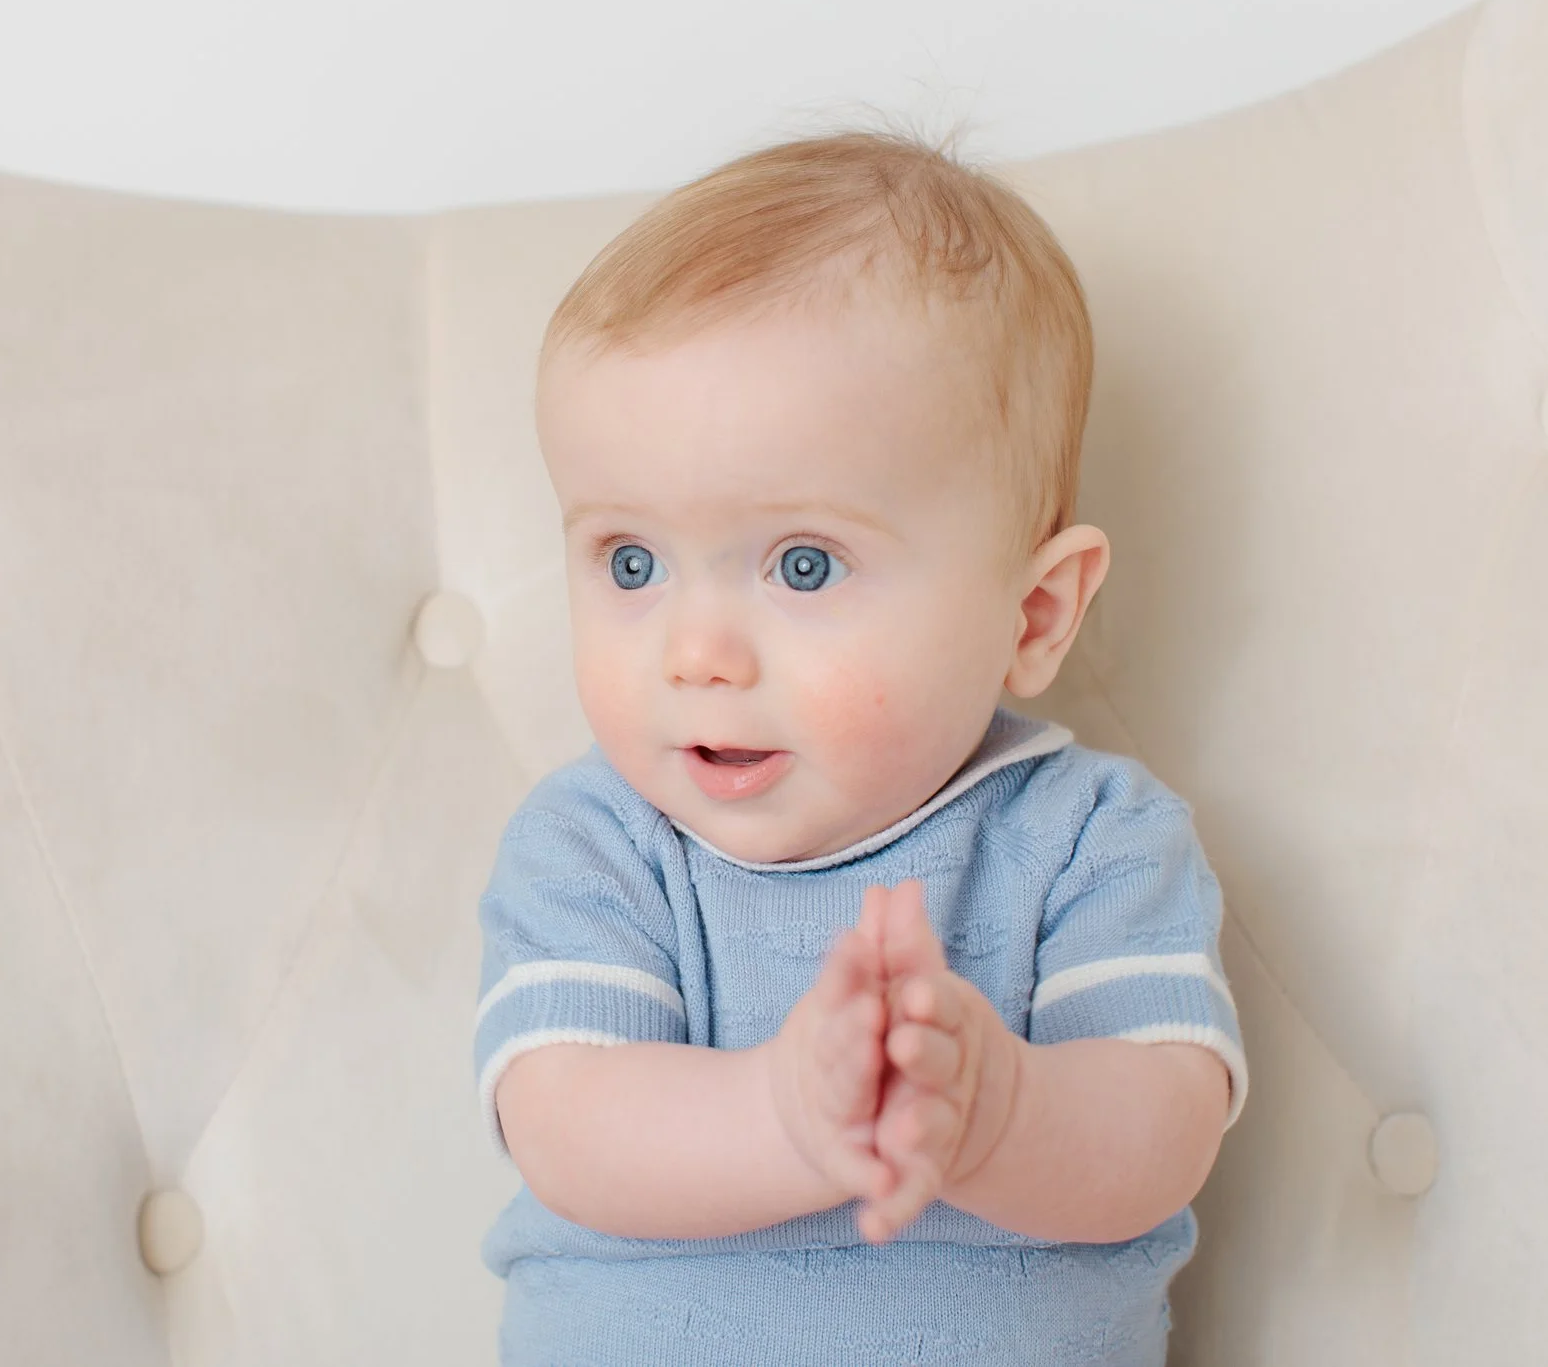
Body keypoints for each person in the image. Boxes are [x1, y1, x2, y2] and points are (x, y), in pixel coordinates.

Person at [471, 130, 1246, 1366]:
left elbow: (1162, 1135)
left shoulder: (1092, 838)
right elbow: (566, 1123)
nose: (696, 652)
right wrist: (784, 1113)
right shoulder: (597, 841)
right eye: (631, 561)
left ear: (1033, 613)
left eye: (803, 563)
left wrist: (998, 1116)